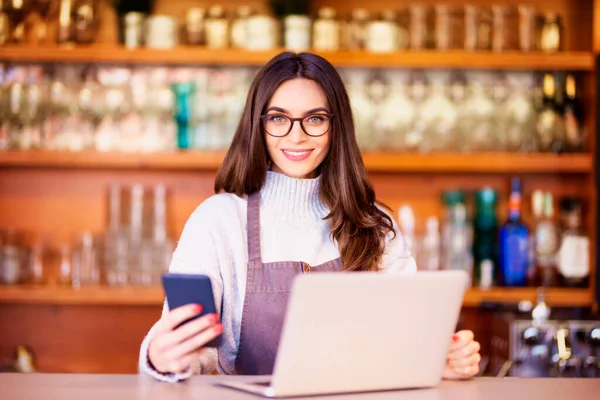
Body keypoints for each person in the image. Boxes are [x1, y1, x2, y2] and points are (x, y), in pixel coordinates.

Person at [139, 51, 481, 382]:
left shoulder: (375, 226)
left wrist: (439, 359)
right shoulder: (216, 221)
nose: (297, 134)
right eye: (278, 118)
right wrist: (163, 356)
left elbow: (406, 342)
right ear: (257, 125)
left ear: (337, 127)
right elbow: (191, 341)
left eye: (315, 119)